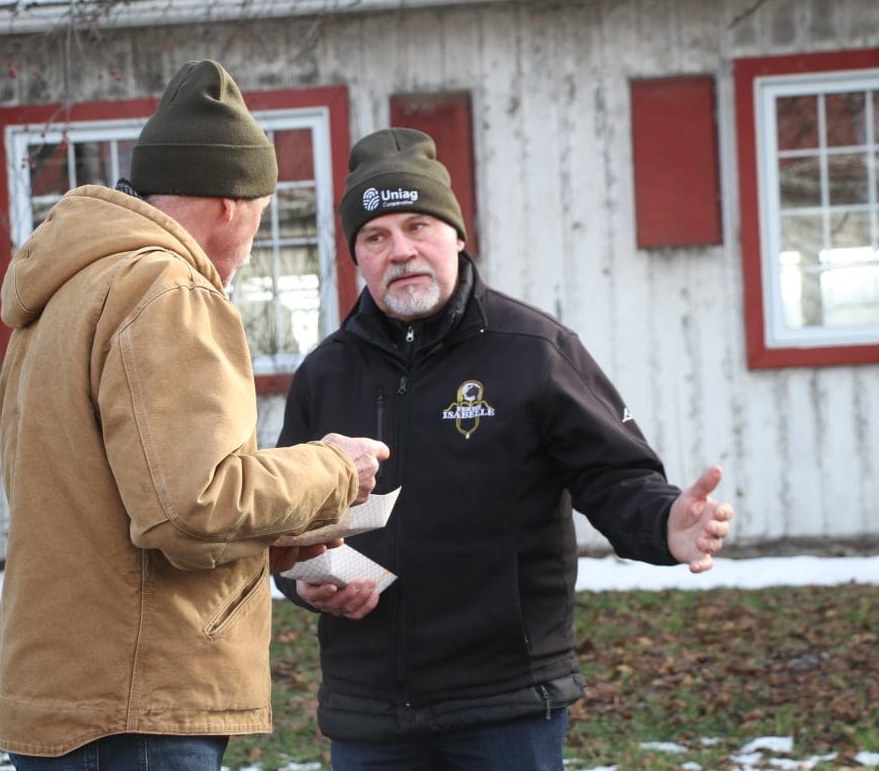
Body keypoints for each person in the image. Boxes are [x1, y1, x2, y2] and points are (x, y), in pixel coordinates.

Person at [273, 127, 734, 770]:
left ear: (458, 237)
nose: (401, 251)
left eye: (418, 227)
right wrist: (307, 583)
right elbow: (283, 524)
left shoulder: (533, 350)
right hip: (368, 709)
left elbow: (614, 475)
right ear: (358, 256)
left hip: (505, 704)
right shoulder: (325, 374)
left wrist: (664, 523)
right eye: (376, 237)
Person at [0, 59, 388, 770]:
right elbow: (191, 508)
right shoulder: (167, 289)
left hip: (69, 694)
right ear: (234, 203)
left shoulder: (64, 291)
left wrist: (285, 538)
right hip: (142, 705)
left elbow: (114, 503)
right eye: (262, 216)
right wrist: (333, 468)